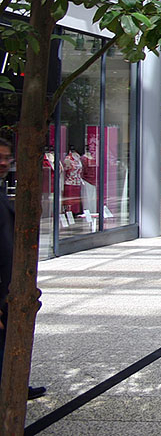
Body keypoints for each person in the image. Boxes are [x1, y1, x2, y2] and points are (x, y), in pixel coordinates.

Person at [0, 137, 46, 400]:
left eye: (7, 158)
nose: (4, 163)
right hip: (2, 291)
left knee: (7, 342)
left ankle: (14, 387)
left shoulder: (2, 192)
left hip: (10, 288)